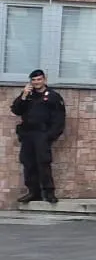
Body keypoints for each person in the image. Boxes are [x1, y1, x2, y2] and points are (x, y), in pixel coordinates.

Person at [12, 69, 65, 206]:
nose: (36, 82)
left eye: (39, 79)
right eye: (34, 80)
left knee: (43, 163)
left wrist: (49, 136)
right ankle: (33, 192)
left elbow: (59, 120)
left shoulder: (53, 96)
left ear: (44, 80)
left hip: (42, 134)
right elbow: (16, 110)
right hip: (28, 134)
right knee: (28, 163)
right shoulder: (28, 95)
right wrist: (23, 95)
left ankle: (49, 193)